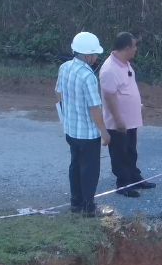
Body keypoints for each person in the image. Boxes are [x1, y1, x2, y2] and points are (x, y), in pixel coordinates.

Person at [56, 32, 114, 217]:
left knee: (75, 165)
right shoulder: (88, 76)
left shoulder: (64, 67)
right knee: (90, 170)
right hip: (88, 134)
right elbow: (94, 108)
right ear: (87, 55)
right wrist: (104, 131)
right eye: (95, 54)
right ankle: (89, 208)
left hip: (71, 129)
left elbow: (58, 93)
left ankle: (76, 203)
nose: (97, 57)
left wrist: (66, 115)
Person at [99, 32, 155, 197]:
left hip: (130, 120)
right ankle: (123, 184)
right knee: (119, 153)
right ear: (126, 48)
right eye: (134, 46)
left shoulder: (125, 64)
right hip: (119, 122)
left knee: (131, 150)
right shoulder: (109, 69)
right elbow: (109, 97)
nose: (136, 49)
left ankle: (135, 178)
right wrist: (118, 120)